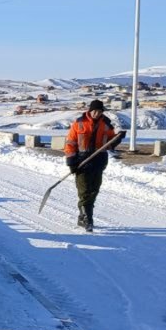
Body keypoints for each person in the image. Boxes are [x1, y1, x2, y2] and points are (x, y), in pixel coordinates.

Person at [64, 99, 116, 232]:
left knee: (94, 190)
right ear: (90, 110)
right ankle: (87, 219)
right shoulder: (79, 123)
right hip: (82, 162)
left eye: (99, 111)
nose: (97, 114)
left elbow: (110, 141)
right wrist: (71, 162)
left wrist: (117, 139)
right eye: (95, 111)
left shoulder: (106, 124)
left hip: (99, 161)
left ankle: (83, 216)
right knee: (84, 191)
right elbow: (70, 143)